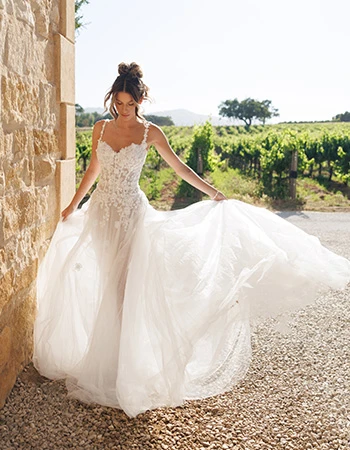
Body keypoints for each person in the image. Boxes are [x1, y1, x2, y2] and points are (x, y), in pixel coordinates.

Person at [33, 62, 350, 419]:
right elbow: (94, 169)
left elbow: (179, 168)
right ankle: (110, 363)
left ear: (140, 101)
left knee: (125, 289)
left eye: (129, 103)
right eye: (118, 103)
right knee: (109, 284)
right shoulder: (100, 128)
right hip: (102, 214)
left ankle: (125, 372)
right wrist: (73, 205)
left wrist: (213, 192)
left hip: (133, 216)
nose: (123, 110)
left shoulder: (150, 133)